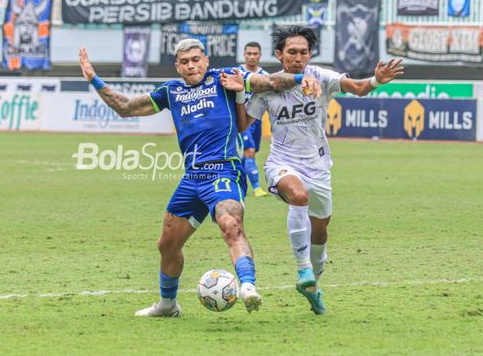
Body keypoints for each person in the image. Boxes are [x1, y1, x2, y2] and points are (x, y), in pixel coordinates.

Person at [78, 39, 319, 317]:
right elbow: (126, 107)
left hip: (224, 170)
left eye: (196, 59)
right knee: (167, 245)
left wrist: (303, 77)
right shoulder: (170, 91)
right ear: (177, 67)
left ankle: (248, 286)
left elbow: (270, 82)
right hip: (193, 177)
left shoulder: (225, 77)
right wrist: (95, 79)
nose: (191, 65)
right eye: (185, 62)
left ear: (206, 60)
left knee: (231, 224)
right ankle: (168, 305)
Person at [222, 25, 403, 314]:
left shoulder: (321, 76)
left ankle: (313, 285)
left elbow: (357, 88)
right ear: (280, 54)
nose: (298, 58)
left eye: (303, 52)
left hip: (318, 167)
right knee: (298, 196)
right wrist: (241, 94)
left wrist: (376, 80)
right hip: (282, 163)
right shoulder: (268, 85)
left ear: (310, 54)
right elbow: (244, 124)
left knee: (320, 234)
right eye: (291, 52)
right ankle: (303, 269)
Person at [237, 41, 268, 197]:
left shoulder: (265, 76)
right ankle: (256, 188)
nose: (252, 56)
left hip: (257, 121)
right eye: (249, 53)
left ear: (260, 56)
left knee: (249, 154)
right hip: (242, 121)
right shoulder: (237, 73)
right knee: (248, 151)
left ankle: (239, 183)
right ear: (244, 55)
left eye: (255, 54)